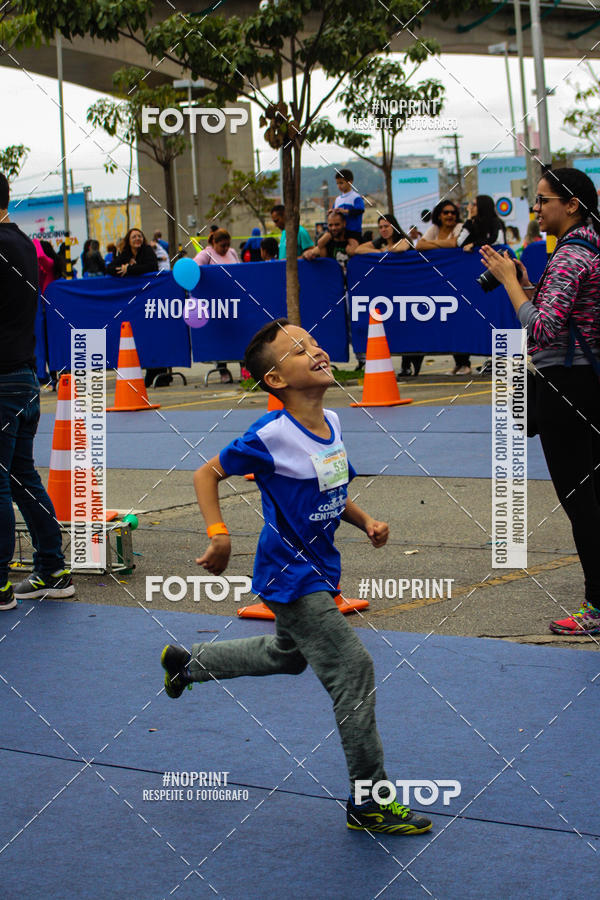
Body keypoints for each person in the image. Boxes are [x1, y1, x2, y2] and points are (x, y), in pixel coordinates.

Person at [160, 318, 432, 836]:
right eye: (298, 349)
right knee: (354, 670)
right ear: (276, 381)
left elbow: (331, 487)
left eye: (313, 342)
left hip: (321, 566)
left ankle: (187, 663)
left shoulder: (331, 421)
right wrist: (218, 533)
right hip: (291, 573)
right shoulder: (269, 434)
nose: (316, 350)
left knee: (288, 657)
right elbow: (205, 473)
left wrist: (365, 519)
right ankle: (369, 801)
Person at [480, 166, 600, 636]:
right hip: (588, 383)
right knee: (594, 497)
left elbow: (544, 329)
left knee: (580, 502)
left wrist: (511, 282)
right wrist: (529, 284)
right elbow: (566, 315)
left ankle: (595, 607)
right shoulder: (588, 247)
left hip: (566, 386)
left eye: (544, 200)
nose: (536, 208)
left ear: (571, 205)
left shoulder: (571, 256)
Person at [0, 172, 75, 611]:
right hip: (25, 376)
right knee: (21, 476)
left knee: (5, 483)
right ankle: (52, 567)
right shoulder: (25, 244)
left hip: (5, 377)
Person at [194, 229, 240, 383]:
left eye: (228, 245)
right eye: (222, 245)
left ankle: (245, 368)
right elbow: (194, 267)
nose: (226, 248)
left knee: (239, 335)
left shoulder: (232, 252)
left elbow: (241, 270)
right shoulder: (206, 254)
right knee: (222, 337)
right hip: (217, 303)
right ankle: (222, 370)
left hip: (235, 300)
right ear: (214, 243)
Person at [332, 168, 365, 241]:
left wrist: (345, 211)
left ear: (350, 182)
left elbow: (360, 210)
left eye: (341, 183)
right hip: (340, 232)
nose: (339, 186)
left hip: (353, 232)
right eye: (337, 183)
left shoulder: (356, 197)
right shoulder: (338, 199)